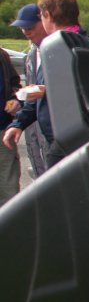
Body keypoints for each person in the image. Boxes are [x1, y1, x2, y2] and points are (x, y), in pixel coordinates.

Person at [3, 0, 89, 168]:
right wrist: (19, 122)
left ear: (47, 15)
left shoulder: (60, 46)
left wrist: (46, 90)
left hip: (68, 138)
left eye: (41, 15)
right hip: (78, 134)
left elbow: (83, 90)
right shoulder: (86, 44)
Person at [9, 4, 48, 177]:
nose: (26, 32)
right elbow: (28, 86)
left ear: (44, 21)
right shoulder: (32, 54)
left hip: (51, 125)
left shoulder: (57, 49)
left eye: (30, 27)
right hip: (32, 122)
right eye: (22, 28)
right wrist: (18, 101)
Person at [0, 46, 20, 206]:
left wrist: (15, 99)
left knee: (9, 188)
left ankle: (10, 228)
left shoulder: (2, 55)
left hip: (3, 132)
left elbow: (15, 84)